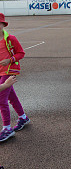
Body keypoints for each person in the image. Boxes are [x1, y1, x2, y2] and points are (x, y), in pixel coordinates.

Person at [0, 13, 29, 142]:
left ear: (3, 25)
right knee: (11, 96)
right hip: (0, 71)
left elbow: (21, 53)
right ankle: (23, 117)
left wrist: (10, 60)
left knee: (1, 99)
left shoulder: (10, 39)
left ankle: (7, 128)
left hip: (9, 70)